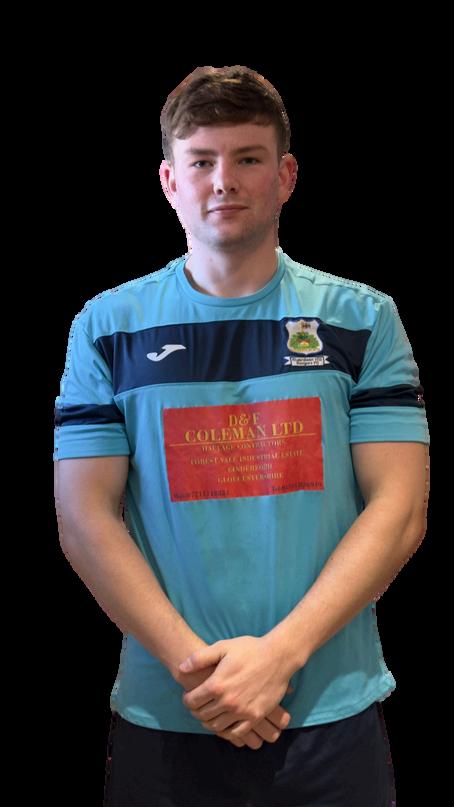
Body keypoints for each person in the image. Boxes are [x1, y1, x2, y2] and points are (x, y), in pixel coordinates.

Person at [53, 65, 430, 806]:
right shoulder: (106, 327)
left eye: (248, 158)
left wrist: (281, 656)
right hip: (171, 709)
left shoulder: (362, 319)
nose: (223, 180)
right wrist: (203, 672)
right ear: (169, 182)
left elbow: (400, 508)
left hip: (330, 711)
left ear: (286, 176)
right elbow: (84, 517)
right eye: (201, 161)